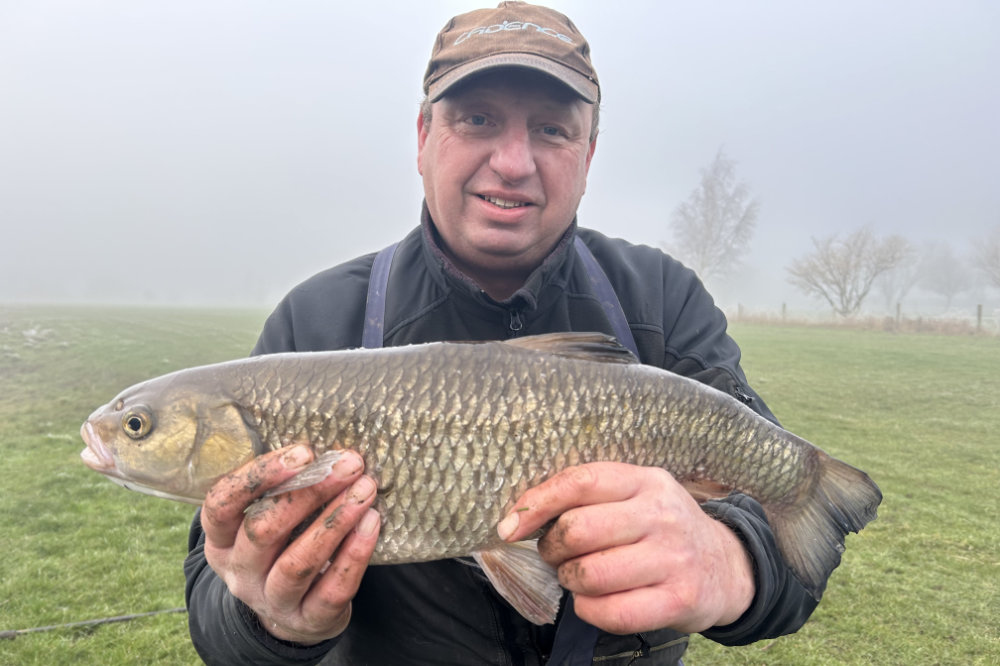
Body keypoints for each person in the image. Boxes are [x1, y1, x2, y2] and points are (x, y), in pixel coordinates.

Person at [184, 2, 821, 664]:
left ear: (589, 153)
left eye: (551, 129)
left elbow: (791, 516)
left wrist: (729, 564)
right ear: (424, 136)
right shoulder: (315, 323)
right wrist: (270, 620)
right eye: (478, 119)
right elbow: (213, 600)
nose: (513, 162)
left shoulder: (658, 298)